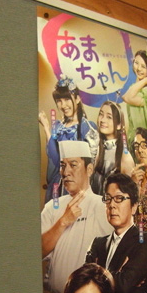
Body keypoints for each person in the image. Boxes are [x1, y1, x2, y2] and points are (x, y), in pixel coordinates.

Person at [41, 141, 113, 293]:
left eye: (73, 165)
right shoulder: (52, 207)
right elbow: (37, 251)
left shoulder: (102, 206)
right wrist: (63, 221)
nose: (66, 172)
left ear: (89, 169)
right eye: (63, 166)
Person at [86, 173, 147, 293]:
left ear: (134, 207)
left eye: (119, 198)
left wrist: (97, 272)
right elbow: (85, 282)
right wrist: (115, 275)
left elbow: (125, 285)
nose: (112, 205)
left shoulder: (145, 240)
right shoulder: (98, 243)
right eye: (108, 199)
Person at [38, 75, 98, 204]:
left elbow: (92, 166)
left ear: (77, 99)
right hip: (57, 185)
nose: (63, 105)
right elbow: (54, 158)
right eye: (59, 101)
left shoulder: (87, 127)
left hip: (76, 188)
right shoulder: (58, 126)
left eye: (67, 99)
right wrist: (47, 128)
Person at [91, 101, 135, 195]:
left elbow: (129, 194)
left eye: (109, 117)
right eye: (101, 114)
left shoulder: (124, 157)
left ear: (119, 125)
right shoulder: (97, 149)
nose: (103, 120)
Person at [122, 49, 147, 149]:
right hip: (131, 138)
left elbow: (127, 97)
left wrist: (145, 81)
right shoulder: (134, 88)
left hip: (143, 141)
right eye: (136, 63)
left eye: (143, 66)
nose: (138, 68)